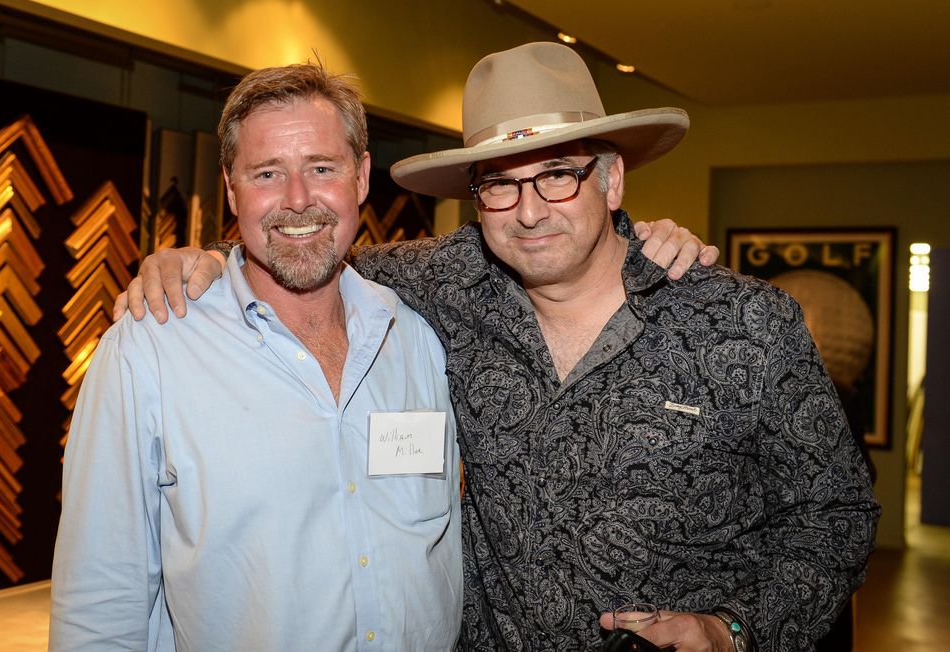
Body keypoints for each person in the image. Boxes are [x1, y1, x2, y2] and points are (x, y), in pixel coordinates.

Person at [119, 43, 879, 651]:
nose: (530, 211)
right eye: (500, 184)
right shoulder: (443, 289)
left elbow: (838, 514)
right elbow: (304, 244)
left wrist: (734, 629)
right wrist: (203, 262)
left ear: (612, 180)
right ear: (476, 198)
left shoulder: (742, 324)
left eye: (558, 175)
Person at [49, 63, 465, 650]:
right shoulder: (149, 351)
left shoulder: (415, 340)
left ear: (362, 177)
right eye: (267, 173)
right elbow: (100, 602)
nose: (297, 199)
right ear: (231, 188)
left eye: (322, 168)